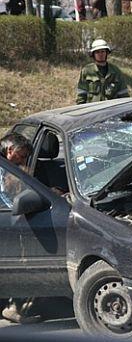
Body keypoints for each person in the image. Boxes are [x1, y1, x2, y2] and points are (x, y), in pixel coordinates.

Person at [0, 133, 42, 324]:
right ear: (10, 151)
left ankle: (13, 308)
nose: (24, 160)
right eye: (22, 155)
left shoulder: (11, 169)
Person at [76, 39, 129, 104]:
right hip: (93, 110)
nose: (100, 54)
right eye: (97, 52)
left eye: (103, 51)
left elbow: (123, 95)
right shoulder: (87, 71)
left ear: (107, 53)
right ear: (93, 54)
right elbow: (81, 94)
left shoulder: (116, 71)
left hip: (112, 110)